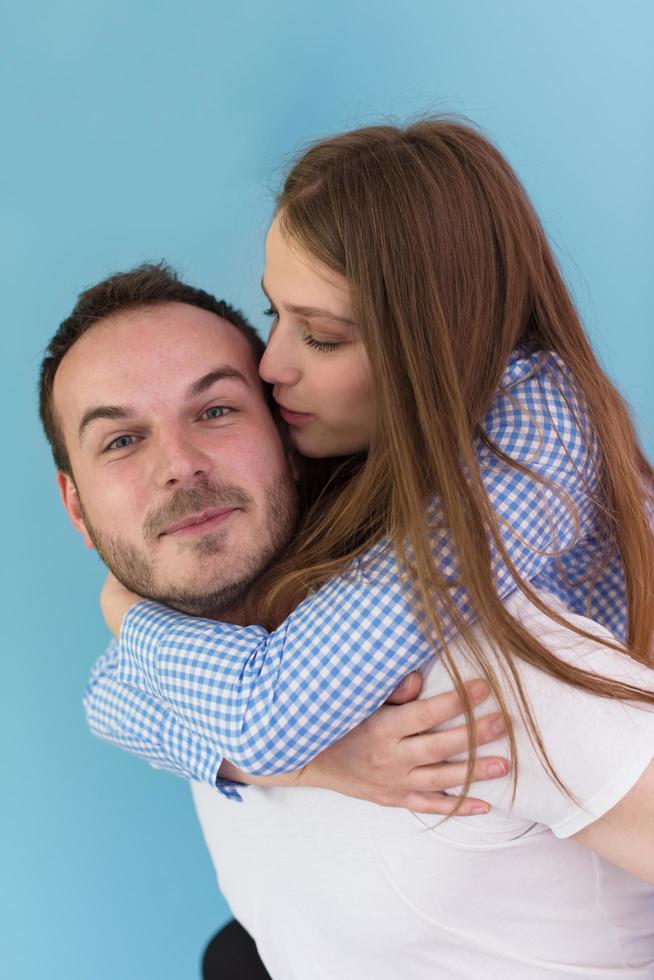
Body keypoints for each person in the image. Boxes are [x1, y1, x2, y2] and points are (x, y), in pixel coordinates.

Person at [41, 264, 654, 977]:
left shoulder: (483, 679)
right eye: (120, 441)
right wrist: (308, 763)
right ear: (76, 508)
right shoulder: (175, 672)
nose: (180, 465)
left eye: (215, 412)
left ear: (288, 439)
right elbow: (110, 699)